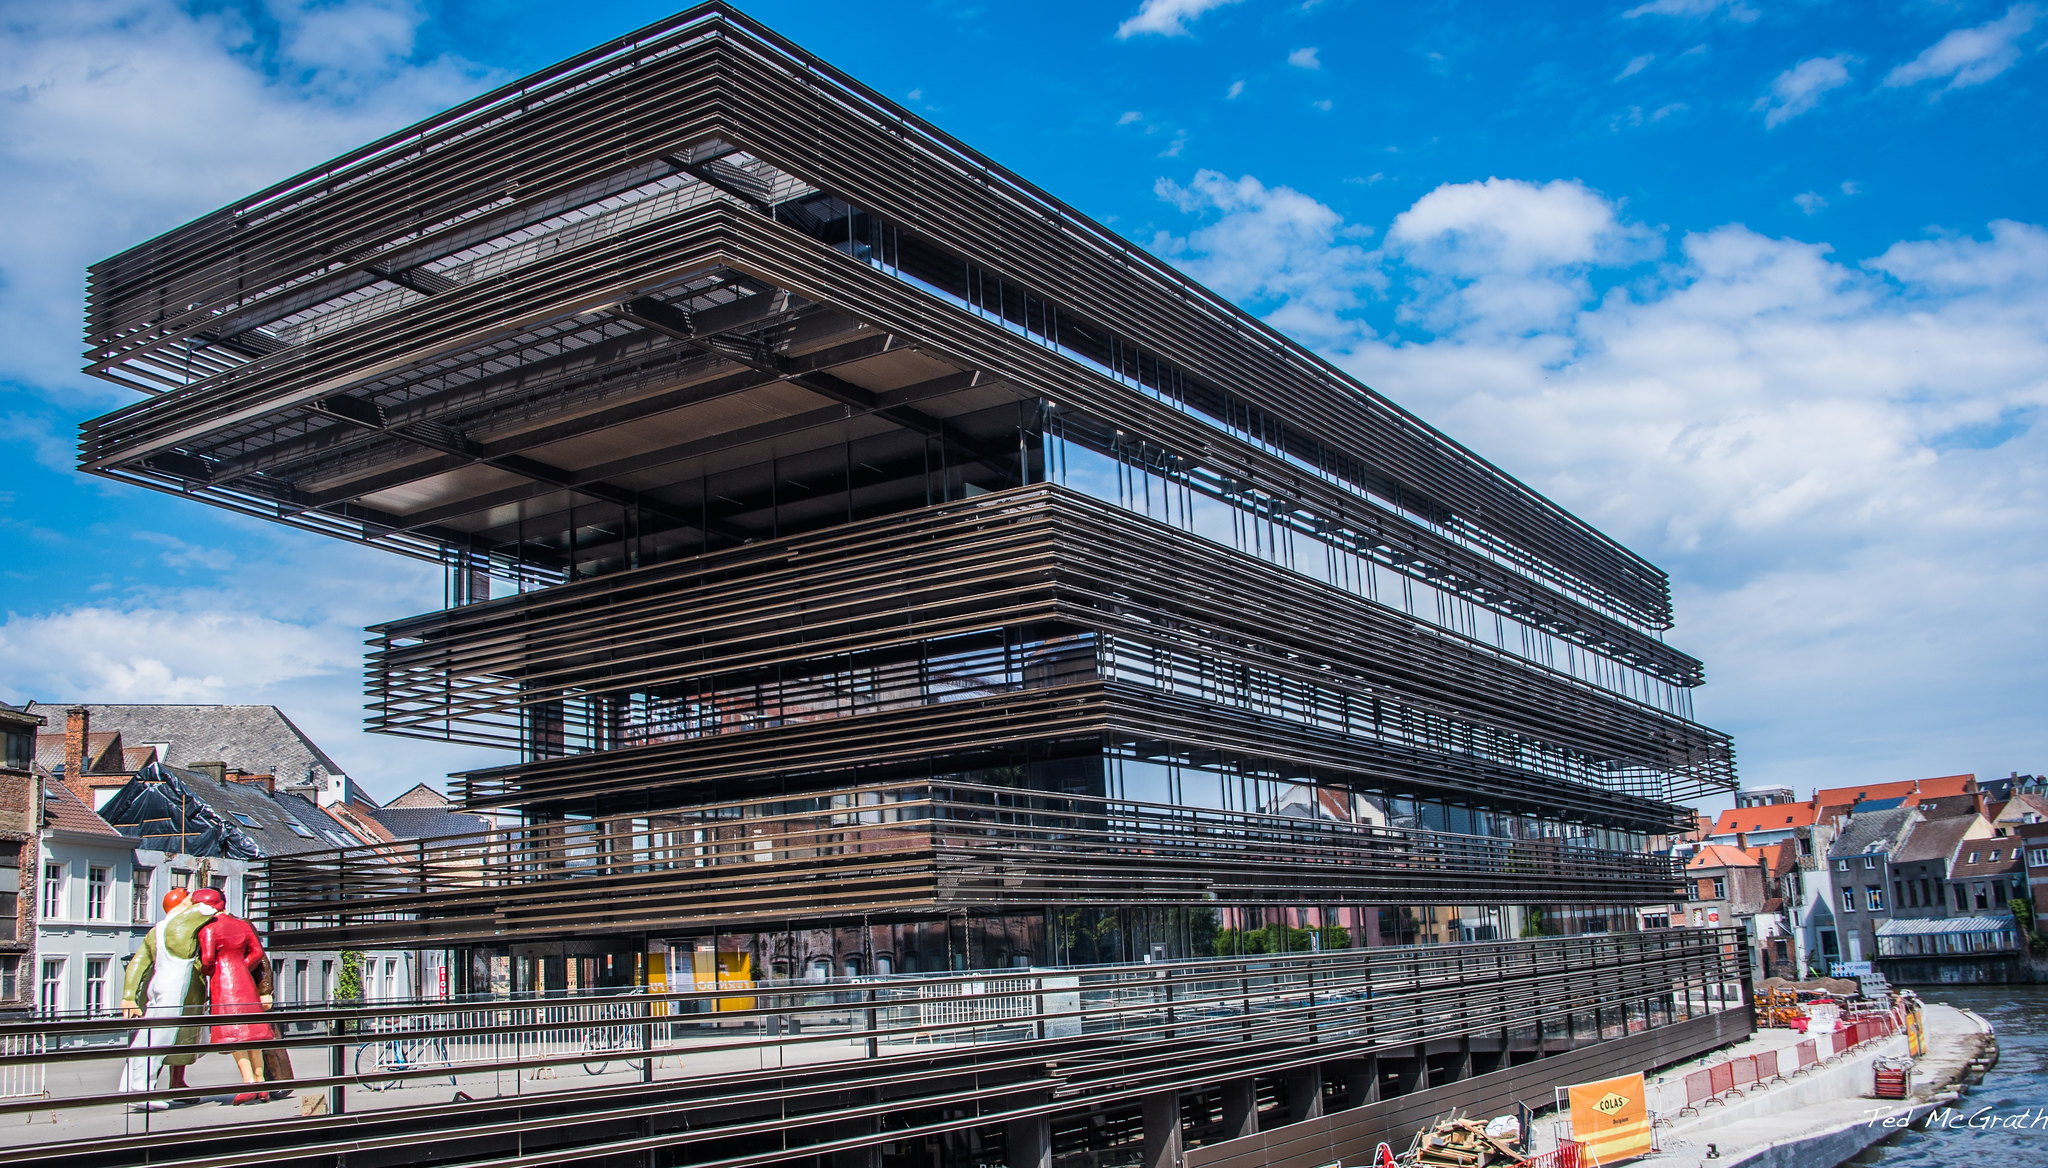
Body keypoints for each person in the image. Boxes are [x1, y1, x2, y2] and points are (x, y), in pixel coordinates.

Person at [118, 888, 217, 1109]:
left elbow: (138, 963)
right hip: (174, 989)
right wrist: (194, 901)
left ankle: (128, 1086)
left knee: (144, 1038)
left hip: (156, 985)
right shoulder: (182, 922)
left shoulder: (156, 930)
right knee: (161, 1038)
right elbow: (210, 907)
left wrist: (129, 997)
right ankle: (143, 1091)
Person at [190, 887, 277, 1105]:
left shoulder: (208, 928)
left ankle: (248, 1082)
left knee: (236, 1033)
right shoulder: (241, 925)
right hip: (244, 980)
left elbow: (208, 958)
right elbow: (257, 952)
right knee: (252, 1034)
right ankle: (261, 1082)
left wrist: (209, 970)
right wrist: (242, 966)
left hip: (224, 983)